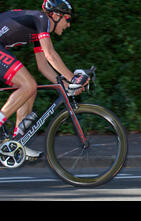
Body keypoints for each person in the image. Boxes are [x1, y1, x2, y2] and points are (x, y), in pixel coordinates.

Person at [0, 0, 89, 160]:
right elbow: (50, 55)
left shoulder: (36, 27)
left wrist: (68, 84)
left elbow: (43, 65)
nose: (68, 25)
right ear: (55, 15)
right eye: (67, 19)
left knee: (30, 88)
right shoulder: (41, 19)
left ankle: (17, 142)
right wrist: (73, 78)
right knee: (28, 84)